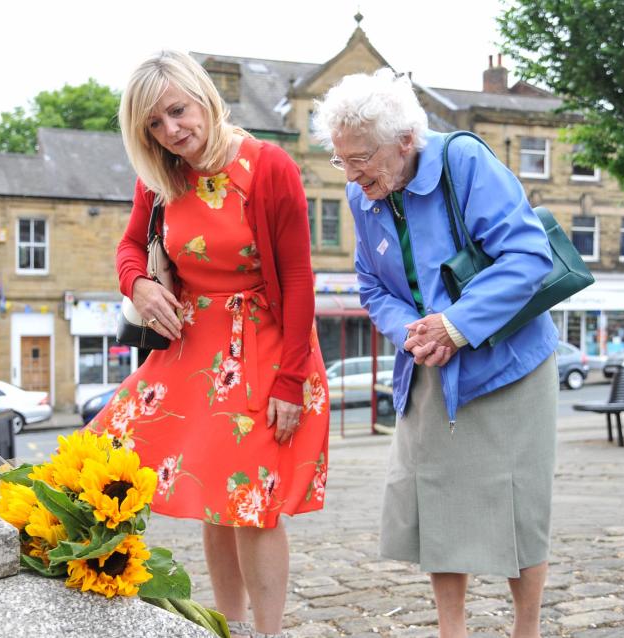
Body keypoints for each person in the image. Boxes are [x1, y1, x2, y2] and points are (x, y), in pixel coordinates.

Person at [85, 50, 329, 638]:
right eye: (155, 124)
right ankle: (232, 627)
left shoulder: (267, 166)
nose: (172, 131)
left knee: (252, 501)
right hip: (190, 349)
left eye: (177, 111)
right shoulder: (162, 175)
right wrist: (138, 284)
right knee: (201, 495)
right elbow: (126, 249)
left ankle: (267, 633)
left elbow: (297, 279)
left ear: (202, 96)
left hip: (266, 346)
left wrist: (291, 379)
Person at [312, 69, 560, 638]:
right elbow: (372, 286)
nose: (352, 175)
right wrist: (412, 334)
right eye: (341, 160)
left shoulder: (464, 162)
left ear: (406, 140)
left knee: (520, 507)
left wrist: (454, 324)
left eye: (362, 159)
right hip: (430, 363)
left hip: (509, 364)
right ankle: (454, 632)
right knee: (439, 502)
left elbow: (527, 255)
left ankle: (528, 629)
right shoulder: (361, 190)